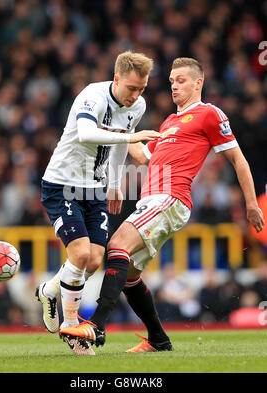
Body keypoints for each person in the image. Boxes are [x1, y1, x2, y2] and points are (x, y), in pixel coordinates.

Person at [60, 57, 265, 353]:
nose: (174, 86)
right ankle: (158, 339)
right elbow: (142, 157)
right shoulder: (169, 122)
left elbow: (238, 159)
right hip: (152, 200)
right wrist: (118, 127)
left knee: (116, 245)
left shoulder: (208, 113)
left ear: (198, 83)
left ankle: (95, 326)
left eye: (181, 80)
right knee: (129, 275)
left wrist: (251, 204)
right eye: (171, 81)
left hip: (170, 197)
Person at [35, 51, 160, 355]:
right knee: (78, 254)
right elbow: (88, 133)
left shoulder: (137, 106)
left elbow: (118, 146)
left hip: (94, 189)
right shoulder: (92, 95)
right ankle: (73, 331)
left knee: (93, 261)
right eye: (132, 88)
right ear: (116, 79)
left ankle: (50, 290)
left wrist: (115, 184)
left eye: (142, 88)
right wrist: (132, 139)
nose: (136, 95)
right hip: (62, 184)